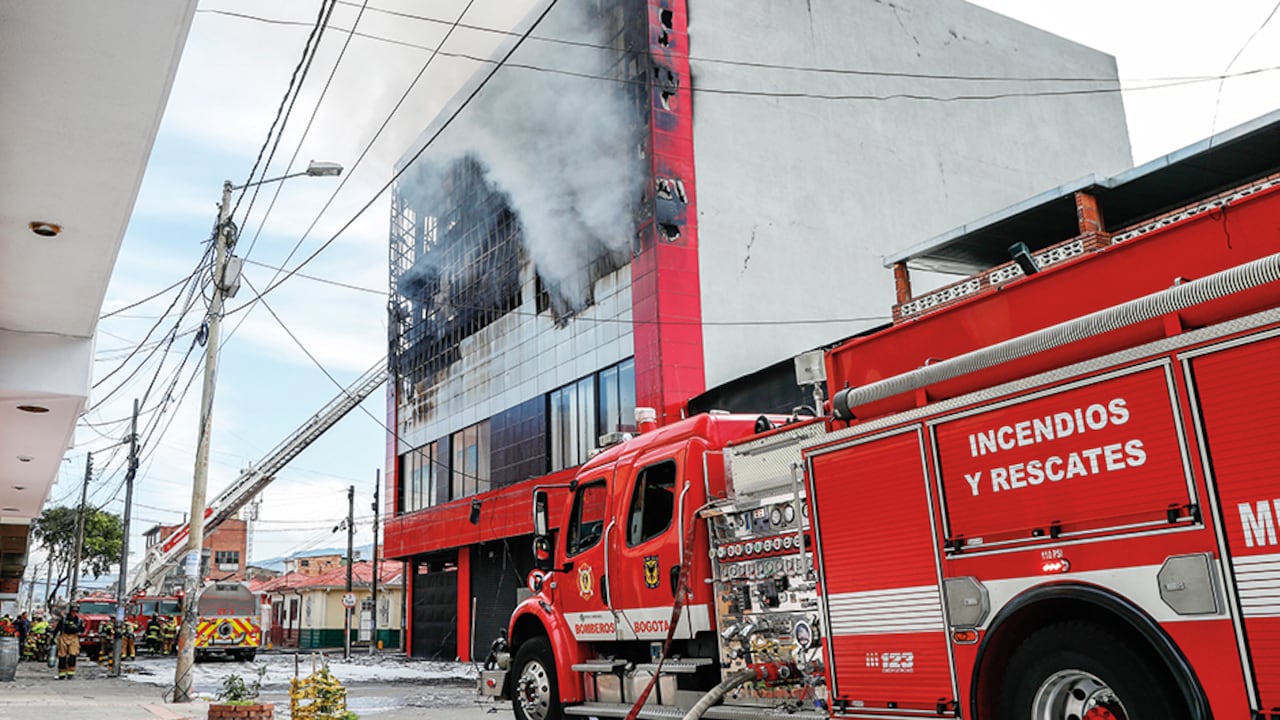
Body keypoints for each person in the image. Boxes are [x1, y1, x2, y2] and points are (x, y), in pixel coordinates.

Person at [53, 605, 85, 680]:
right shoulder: (64, 619)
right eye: (72, 611)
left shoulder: (79, 620)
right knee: (62, 656)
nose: (74, 613)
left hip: (74, 637)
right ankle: (62, 674)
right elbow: (57, 628)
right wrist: (53, 637)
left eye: (75, 612)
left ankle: (71, 674)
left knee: (73, 655)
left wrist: (77, 628)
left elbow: (82, 630)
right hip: (63, 636)